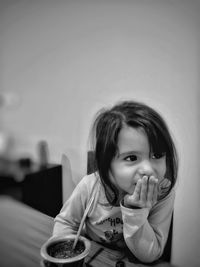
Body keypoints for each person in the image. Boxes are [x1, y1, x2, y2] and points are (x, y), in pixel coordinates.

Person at [53, 100, 178, 263]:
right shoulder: (90, 186)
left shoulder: (162, 193)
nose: (148, 169)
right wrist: (66, 257)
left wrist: (135, 210)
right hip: (95, 257)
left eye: (157, 155)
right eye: (132, 157)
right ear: (106, 163)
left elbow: (150, 254)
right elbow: (65, 222)